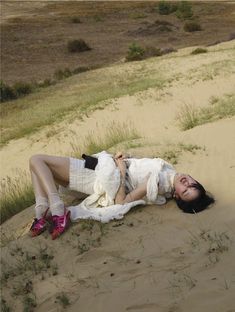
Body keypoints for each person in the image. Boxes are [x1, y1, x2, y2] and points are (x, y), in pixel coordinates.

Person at [29, 151, 214, 239]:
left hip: (93, 176)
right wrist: (128, 156)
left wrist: (122, 170)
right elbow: (142, 164)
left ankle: (56, 209)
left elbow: (121, 201)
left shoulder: (157, 183)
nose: (187, 184)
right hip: (98, 169)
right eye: (193, 184)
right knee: (36, 167)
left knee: (36, 160)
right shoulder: (168, 170)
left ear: (178, 197)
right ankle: (41, 213)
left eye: (187, 191)